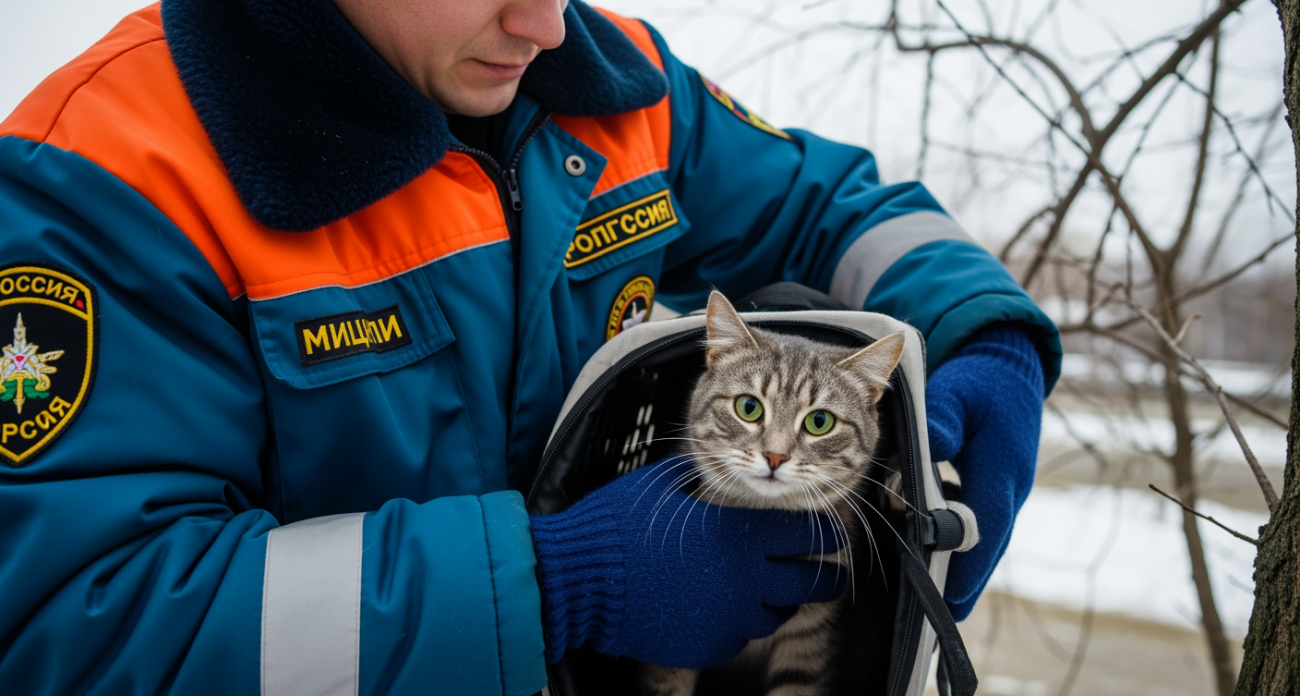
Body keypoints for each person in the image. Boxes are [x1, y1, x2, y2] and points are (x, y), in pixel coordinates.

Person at [0, 0, 1059, 693]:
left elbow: (831, 202)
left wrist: (992, 339)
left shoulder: (622, 85)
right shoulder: (105, 173)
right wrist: (551, 583)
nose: (547, 24)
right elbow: (73, 629)